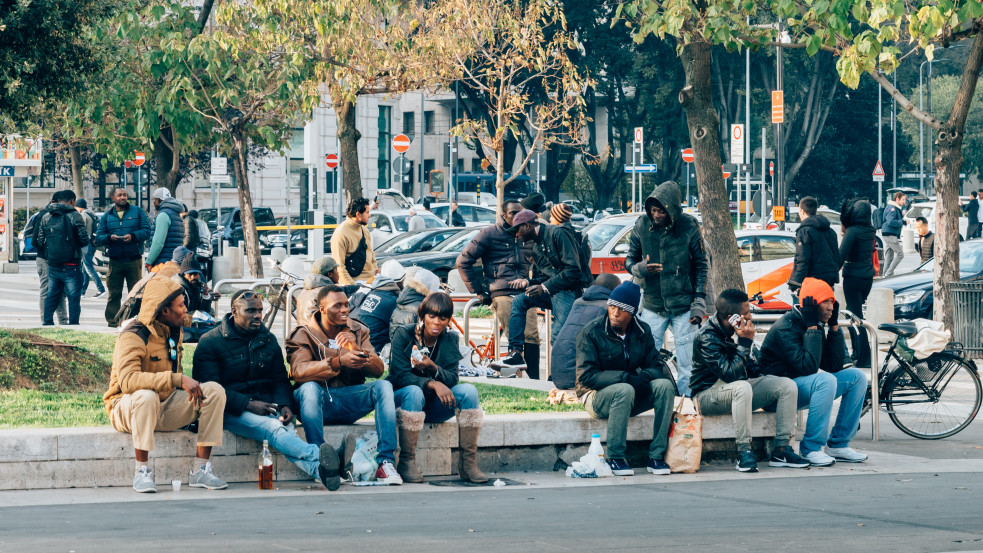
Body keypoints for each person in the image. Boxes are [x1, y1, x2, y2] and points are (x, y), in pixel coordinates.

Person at [192, 291, 346, 491]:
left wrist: (285, 405)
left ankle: (321, 472)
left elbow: (279, 379)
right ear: (234, 312)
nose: (257, 315)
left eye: (259, 310)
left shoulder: (268, 339)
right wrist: (247, 404)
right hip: (228, 411)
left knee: (286, 432)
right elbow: (210, 389)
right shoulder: (210, 342)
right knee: (275, 430)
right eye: (250, 311)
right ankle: (333, 459)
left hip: (266, 406)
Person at [102, 277, 228, 493]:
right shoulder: (133, 335)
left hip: (164, 405)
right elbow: (128, 381)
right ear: (164, 311)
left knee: (214, 392)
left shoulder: (173, 328)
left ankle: (200, 470)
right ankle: (142, 471)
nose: (185, 309)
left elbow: (195, 321)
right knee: (146, 396)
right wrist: (176, 379)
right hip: (126, 408)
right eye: (181, 305)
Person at [287, 285, 402, 485]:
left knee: (383, 387)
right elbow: (299, 370)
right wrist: (338, 361)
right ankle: (322, 459)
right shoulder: (303, 334)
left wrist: (356, 348)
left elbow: (377, 370)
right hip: (316, 403)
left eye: (346, 305)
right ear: (322, 309)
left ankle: (385, 462)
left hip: (348, 401)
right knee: (309, 388)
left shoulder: (358, 329)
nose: (344, 310)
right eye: (337, 306)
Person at [690, 289, 808, 472]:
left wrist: (764, 369)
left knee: (786, 385)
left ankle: (782, 449)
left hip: (735, 390)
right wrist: (744, 343)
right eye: (746, 313)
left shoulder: (733, 333)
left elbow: (751, 369)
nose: (750, 316)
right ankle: (744, 452)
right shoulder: (707, 337)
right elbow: (729, 374)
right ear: (732, 318)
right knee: (742, 388)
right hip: (706, 395)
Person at [758, 277, 869, 466]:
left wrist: (834, 327)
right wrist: (812, 328)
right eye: (824, 301)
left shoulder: (815, 324)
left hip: (800, 387)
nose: (830, 307)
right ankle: (810, 448)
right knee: (825, 381)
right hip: (777, 395)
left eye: (832, 302)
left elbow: (833, 365)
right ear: (810, 305)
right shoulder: (786, 327)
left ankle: (838, 444)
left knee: (857, 377)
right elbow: (807, 367)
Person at [575, 282, 677, 476]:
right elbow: (586, 377)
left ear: (632, 313)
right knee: (624, 389)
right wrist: (625, 378)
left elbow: (656, 366)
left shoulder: (642, 331)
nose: (615, 313)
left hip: (630, 392)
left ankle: (656, 456)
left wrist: (642, 378)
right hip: (595, 396)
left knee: (664, 386)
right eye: (612, 306)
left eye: (622, 309)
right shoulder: (591, 332)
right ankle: (615, 457)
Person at [388, 292, 488, 483]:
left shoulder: (450, 339)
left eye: (443, 318)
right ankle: (407, 462)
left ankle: (468, 463)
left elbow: (452, 378)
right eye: (431, 316)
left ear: (448, 320)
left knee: (469, 391)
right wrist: (432, 383)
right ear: (422, 316)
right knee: (415, 391)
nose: (436, 323)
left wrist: (433, 368)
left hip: (433, 406)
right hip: (406, 401)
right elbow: (400, 375)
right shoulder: (404, 334)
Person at [624, 180, 708, 397]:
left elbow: (701, 265)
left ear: (672, 209)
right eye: (653, 210)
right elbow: (629, 259)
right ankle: (649, 399)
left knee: (687, 362)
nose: (657, 215)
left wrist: (699, 302)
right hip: (653, 303)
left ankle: (686, 405)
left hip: (684, 305)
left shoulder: (689, 225)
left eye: (662, 210)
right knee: (646, 358)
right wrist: (640, 268)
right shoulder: (642, 224)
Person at [455, 200, 540, 378]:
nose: (517, 216)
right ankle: (514, 381)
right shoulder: (489, 234)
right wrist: (478, 290)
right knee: (516, 339)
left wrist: (536, 282)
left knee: (531, 337)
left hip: (526, 291)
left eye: (520, 213)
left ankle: (534, 381)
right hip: (502, 292)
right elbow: (463, 261)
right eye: (512, 213)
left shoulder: (527, 232)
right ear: (503, 215)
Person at [500, 209, 592, 371]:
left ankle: (558, 374)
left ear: (527, 225)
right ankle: (515, 353)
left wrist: (543, 287)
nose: (516, 235)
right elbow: (544, 278)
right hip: (552, 291)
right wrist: (528, 282)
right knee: (519, 301)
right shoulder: (536, 248)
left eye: (517, 230)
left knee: (557, 336)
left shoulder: (557, 233)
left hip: (568, 291)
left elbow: (573, 271)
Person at [550, 273, 621, 390]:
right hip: (582, 379)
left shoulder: (578, 302)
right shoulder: (609, 308)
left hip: (558, 376)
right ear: (615, 290)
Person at [95, 187, 152, 326]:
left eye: (125, 195)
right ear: (113, 198)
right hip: (115, 260)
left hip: (134, 259)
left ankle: (135, 320)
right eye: (119, 195)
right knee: (114, 292)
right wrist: (110, 238)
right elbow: (99, 237)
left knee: (136, 293)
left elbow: (146, 231)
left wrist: (133, 236)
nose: (123, 197)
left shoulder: (137, 212)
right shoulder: (107, 216)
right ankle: (113, 321)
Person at [35, 189, 88, 326]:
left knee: (51, 294)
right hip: (72, 264)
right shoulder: (75, 215)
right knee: (73, 297)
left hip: (53, 263)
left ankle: (47, 323)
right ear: (72, 201)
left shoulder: (47, 215)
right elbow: (83, 239)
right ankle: (73, 324)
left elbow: (39, 241)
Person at [26, 197, 67, 325]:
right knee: (47, 288)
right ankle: (46, 320)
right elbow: (35, 241)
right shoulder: (44, 215)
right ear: (56, 202)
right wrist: (48, 251)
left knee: (59, 289)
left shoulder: (61, 215)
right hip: (45, 258)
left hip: (54, 258)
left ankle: (62, 320)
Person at [349, 260, 406, 352]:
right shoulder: (393, 301)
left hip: (355, 344)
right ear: (401, 281)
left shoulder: (369, 292)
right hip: (373, 349)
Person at [788, 196, 840, 292]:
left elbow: (802, 259)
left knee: (804, 306)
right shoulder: (830, 231)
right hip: (828, 281)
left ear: (802, 211)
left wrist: (795, 283)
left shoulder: (804, 231)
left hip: (811, 282)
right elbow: (836, 255)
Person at [295, 256, 363, 326]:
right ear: (330, 274)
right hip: (318, 334)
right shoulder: (328, 293)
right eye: (336, 270)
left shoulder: (305, 290)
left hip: (304, 332)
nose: (338, 273)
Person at [838, 198, 876, 317]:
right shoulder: (871, 231)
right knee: (855, 312)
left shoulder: (852, 232)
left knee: (854, 316)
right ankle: (860, 335)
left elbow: (841, 256)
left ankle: (862, 336)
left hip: (853, 277)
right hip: (867, 277)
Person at [330, 197, 378, 286]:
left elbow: (372, 257)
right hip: (356, 283)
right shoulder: (341, 234)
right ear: (358, 214)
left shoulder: (364, 230)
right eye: (367, 212)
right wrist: (354, 288)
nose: (369, 215)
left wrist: (376, 276)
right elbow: (339, 267)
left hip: (372, 282)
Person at [146, 188, 186, 272]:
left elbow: (158, 242)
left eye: (155, 199)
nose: (154, 202)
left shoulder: (163, 215)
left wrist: (149, 261)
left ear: (159, 200)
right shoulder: (177, 215)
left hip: (162, 263)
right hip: (174, 262)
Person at [74, 199, 106, 298]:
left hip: (86, 245)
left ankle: (101, 289)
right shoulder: (92, 214)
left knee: (88, 268)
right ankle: (82, 292)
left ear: (80, 207)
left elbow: (81, 231)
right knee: (85, 269)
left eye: (76, 207)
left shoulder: (84, 215)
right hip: (92, 244)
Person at [881, 190, 907, 277]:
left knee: (889, 256)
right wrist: (902, 222)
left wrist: (903, 222)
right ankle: (889, 273)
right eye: (903, 200)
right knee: (900, 254)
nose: (904, 202)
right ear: (897, 199)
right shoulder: (892, 208)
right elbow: (891, 221)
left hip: (888, 233)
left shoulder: (893, 207)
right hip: (890, 234)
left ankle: (885, 275)